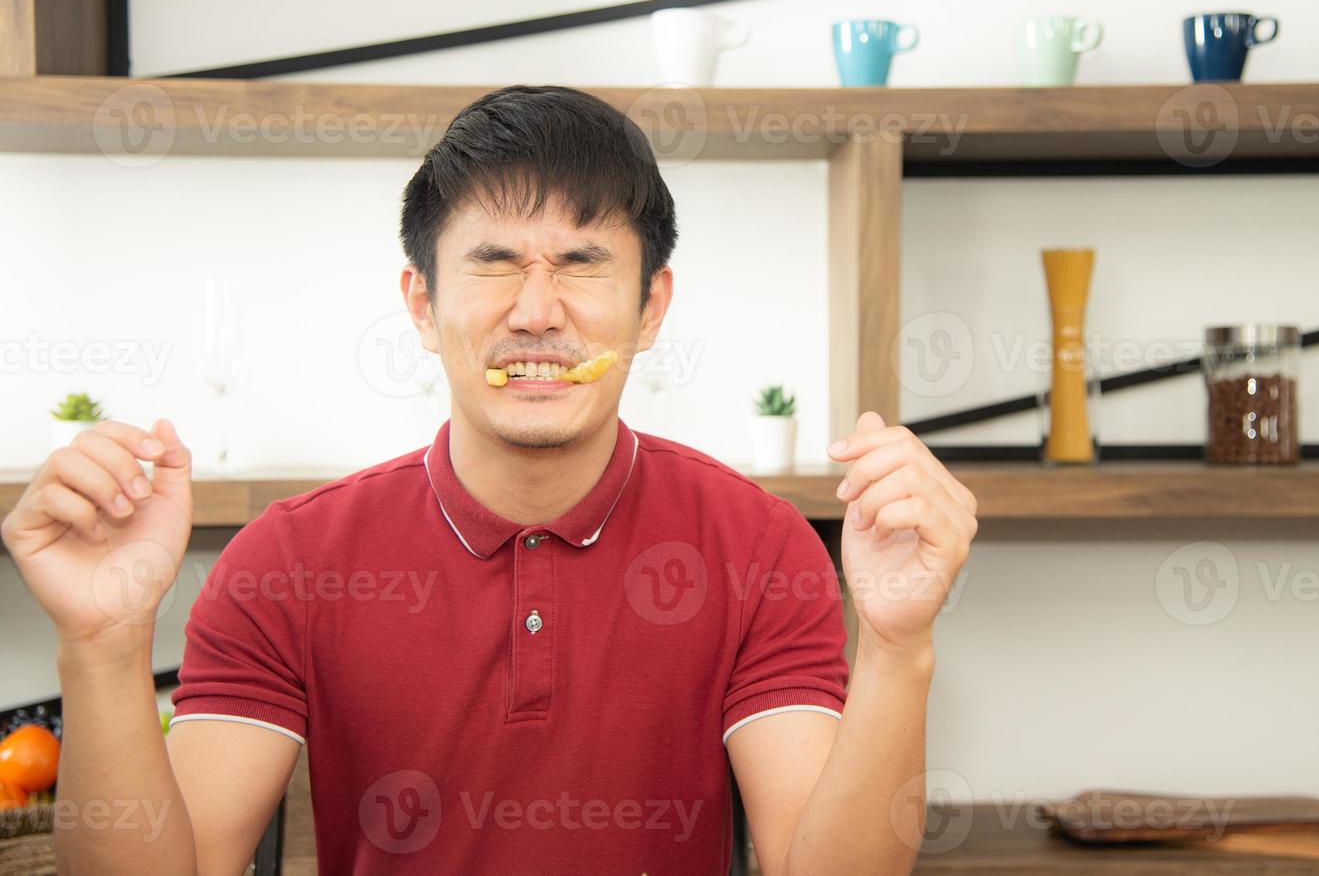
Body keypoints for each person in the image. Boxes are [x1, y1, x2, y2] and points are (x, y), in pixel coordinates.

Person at [1, 85, 978, 875]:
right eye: (495, 261)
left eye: (584, 262)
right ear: (421, 304)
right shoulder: (288, 559)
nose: (537, 310)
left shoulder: (756, 546)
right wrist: (100, 643)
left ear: (650, 306)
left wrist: (897, 648)